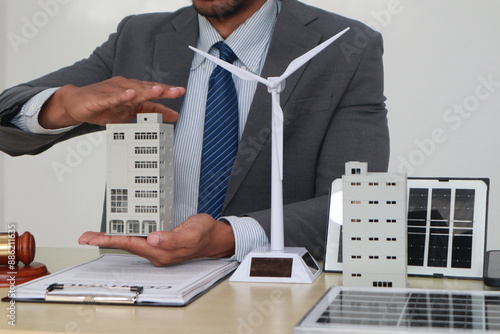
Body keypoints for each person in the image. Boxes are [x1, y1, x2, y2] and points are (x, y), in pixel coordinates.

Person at [0, 0, 389, 266]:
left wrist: (227, 237)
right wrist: (63, 106)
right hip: (134, 289)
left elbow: (359, 203)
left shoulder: (344, 47)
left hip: (271, 293)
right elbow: (8, 112)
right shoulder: (138, 37)